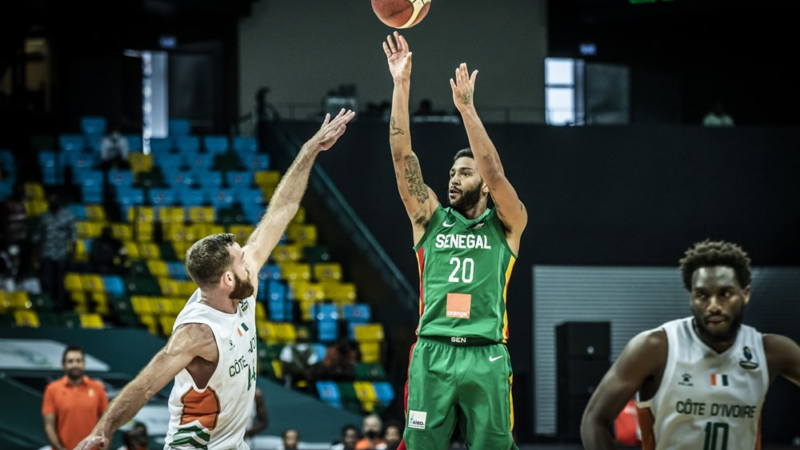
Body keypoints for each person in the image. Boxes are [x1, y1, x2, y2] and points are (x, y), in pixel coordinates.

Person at [74, 109, 355, 450]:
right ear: (226, 279)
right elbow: (145, 386)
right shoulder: (197, 332)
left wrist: (309, 151)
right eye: (241, 262)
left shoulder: (241, 285)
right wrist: (103, 429)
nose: (250, 262)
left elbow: (282, 210)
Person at [383, 31, 527, 450]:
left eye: (464, 173)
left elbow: (495, 172)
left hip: (487, 355)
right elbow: (401, 156)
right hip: (433, 353)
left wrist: (467, 109)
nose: (453, 178)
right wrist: (401, 84)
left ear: (482, 186)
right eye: (451, 173)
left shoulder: (508, 223)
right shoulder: (429, 219)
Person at [581, 240, 800, 449]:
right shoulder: (656, 347)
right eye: (702, 295)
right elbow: (594, 420)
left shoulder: (771, 351)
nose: (713, 306)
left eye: (725, 294)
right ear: (691, 298)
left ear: (745, 294)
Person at [42, 346, 109, 450]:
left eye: (78, 361)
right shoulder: (52, 389)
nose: (75, 364)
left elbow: (107, 422)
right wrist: (60, 448)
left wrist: (103, 448)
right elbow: (49, 426)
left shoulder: (98, 388)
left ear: (84, 364)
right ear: (63, 365)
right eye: (70, 361)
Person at [33, 192, 76, 312]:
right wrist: (37, 255)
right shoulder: (44, 216)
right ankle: (48, 306)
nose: (53, 202)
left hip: (61, 255)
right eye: (51, 199)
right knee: (47, 282)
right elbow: (38, 237)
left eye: (55, 199)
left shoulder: (68, 215)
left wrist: (72, 255)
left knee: (59, 282)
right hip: (47, 254)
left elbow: (73, 238)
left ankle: (59, 307)